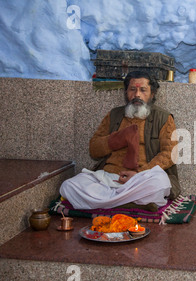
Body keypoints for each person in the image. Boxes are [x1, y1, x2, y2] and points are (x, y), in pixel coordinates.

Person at [60, 71, 180, 210]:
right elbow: (93, 149)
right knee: (68, 186)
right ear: (126, 92)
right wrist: (117, 139)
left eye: (143, 90)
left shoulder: (163, 118)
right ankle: (129, 202)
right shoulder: (114, 115)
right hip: (109, 178)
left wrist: (139, 175)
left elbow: (170, 152)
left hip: (142, 179)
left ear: (152, 94)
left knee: (159, 183)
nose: (137, 95)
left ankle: (107, 201)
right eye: (132, 89)